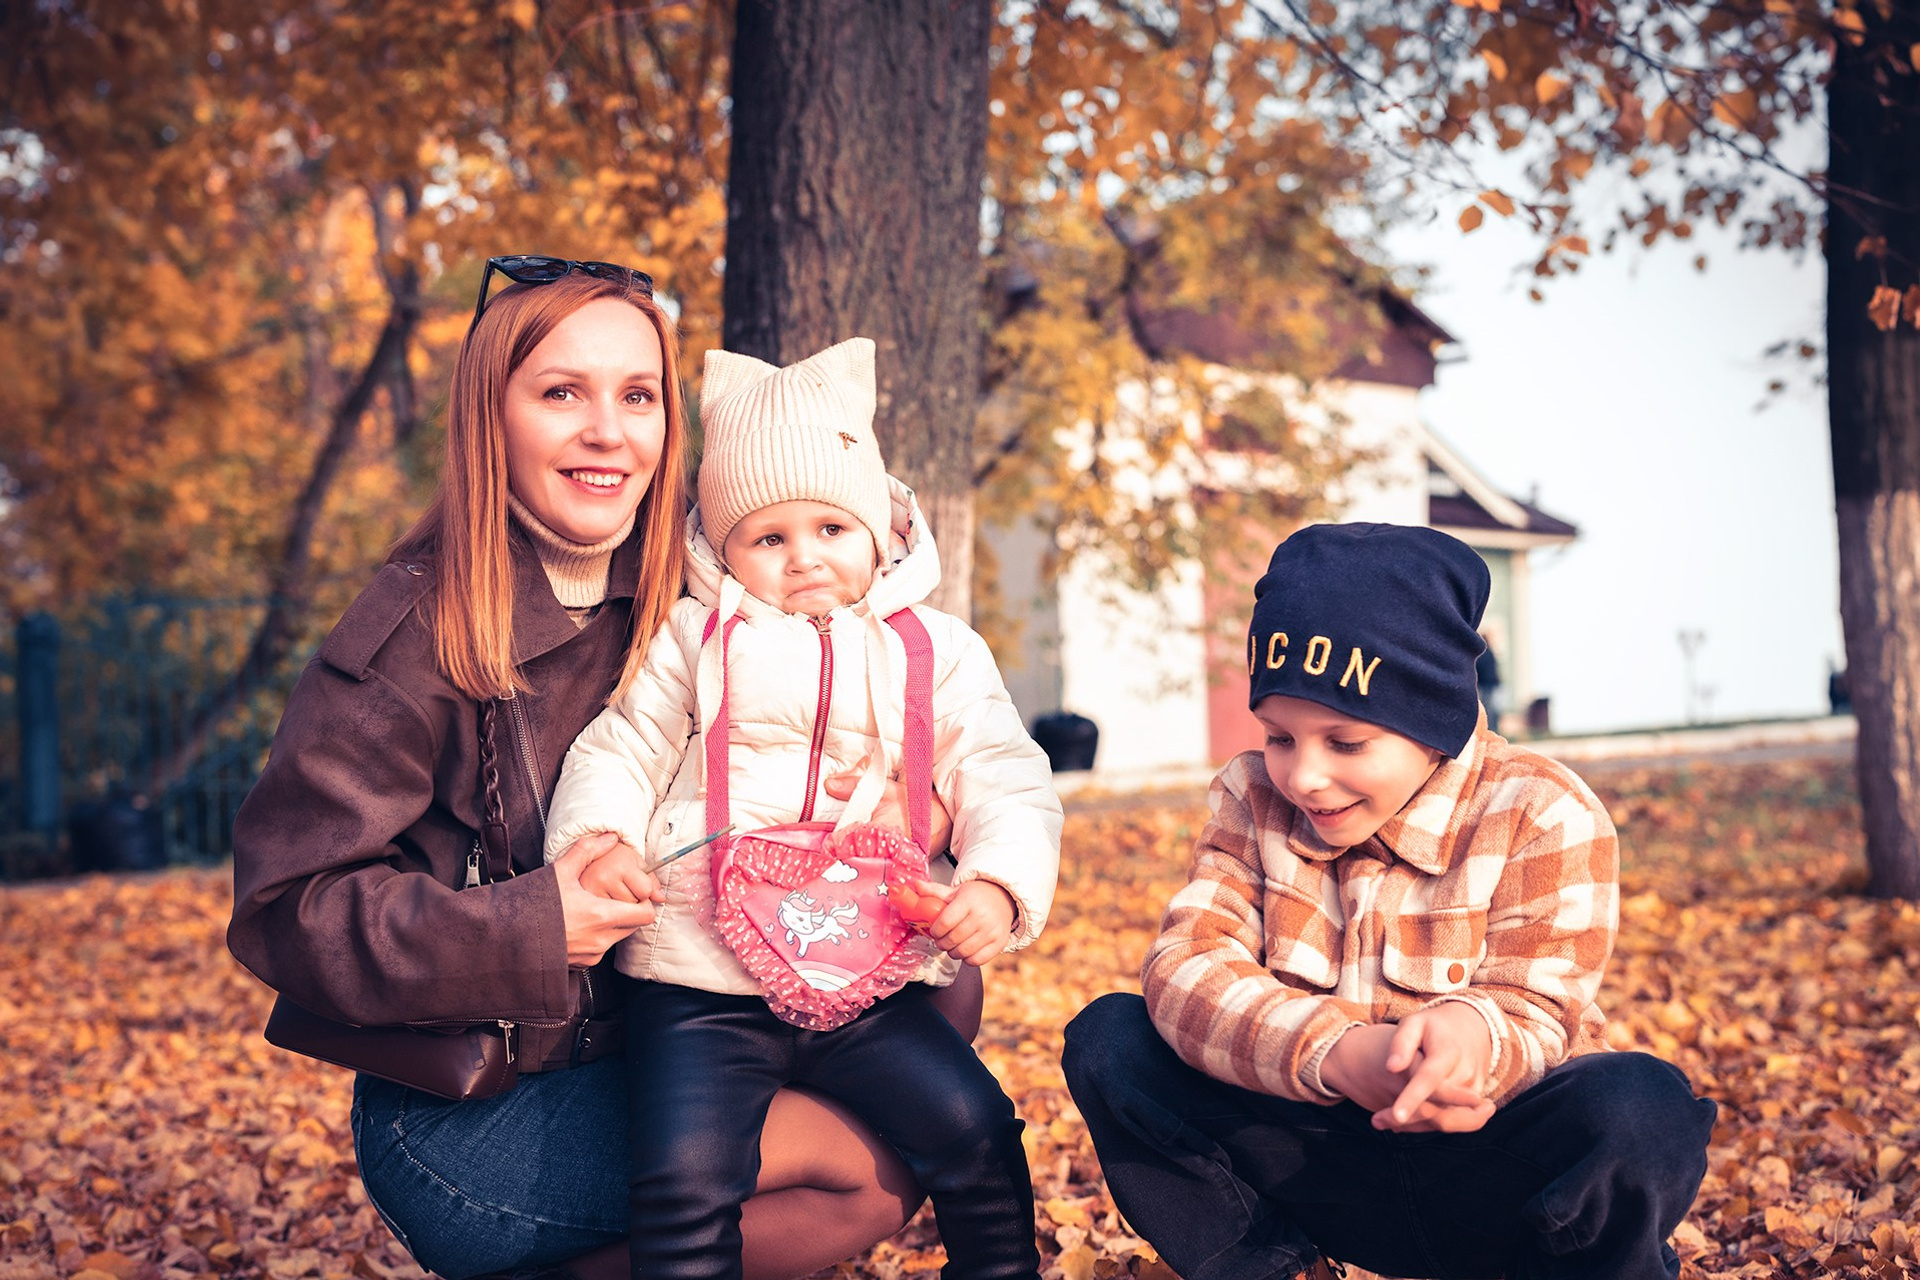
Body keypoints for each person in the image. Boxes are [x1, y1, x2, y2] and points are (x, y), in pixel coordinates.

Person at [228, 258, 977, 1280]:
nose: (607, 431)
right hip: (481, 1108)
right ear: (491, 417)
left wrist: (902, 795)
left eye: (638, 395)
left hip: (678, 1027)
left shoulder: (704, 580)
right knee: (872, 1167)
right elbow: (286, 908)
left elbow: (865, 620)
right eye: (559, 392)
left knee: (945, 1012)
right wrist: (533, 922)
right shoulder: (410, 635)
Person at [1060, 522, 1716, 1280]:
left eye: (1344, 743)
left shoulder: (1543, 809)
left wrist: (1473, 1039)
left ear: (1430, 724)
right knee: (1113, 1039)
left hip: (1494, 1176)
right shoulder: (1251, 798)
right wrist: (1333, 1053)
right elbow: (1189, 966)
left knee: (1642, 1104)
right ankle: (1275, 1266)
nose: (1302, 776)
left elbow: (1538, 1008)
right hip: (1322, 1167)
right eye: (1279, 736)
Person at [543, 336, 1062, 1280]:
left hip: (864, 972)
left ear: (878, 529)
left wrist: (997, 881)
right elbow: (621, 745)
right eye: (769, 538)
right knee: (683, 1177)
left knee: (975, 1125)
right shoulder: (693, 639)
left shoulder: (934, 651)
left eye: (831, 529)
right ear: (726, 548)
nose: (805, 558)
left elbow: (1002, 770)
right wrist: (600, 840)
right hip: (698, 979)